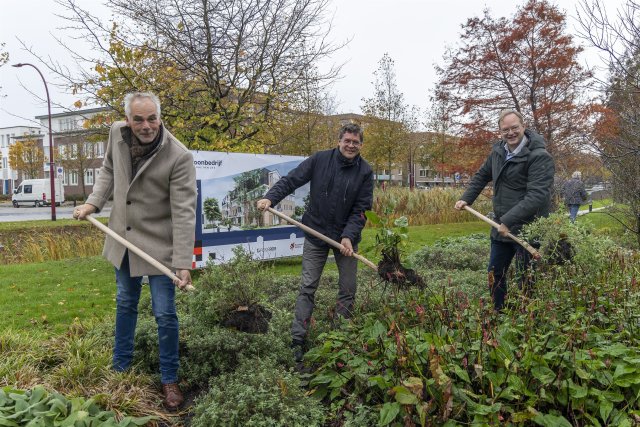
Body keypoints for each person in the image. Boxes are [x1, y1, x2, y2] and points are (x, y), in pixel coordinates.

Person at [73, 92, 196, 411]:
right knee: (125, 303)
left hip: (159, 245)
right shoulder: (116, 133)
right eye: (139, 119)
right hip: (123, 238)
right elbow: (109, 171)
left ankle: (169, 378)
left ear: (160, 117)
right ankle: (120, 369)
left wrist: (183, 261)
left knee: (165, 313)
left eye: (152, 118)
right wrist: (93, 202)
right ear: (127, 119)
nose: (146, 125)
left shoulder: (179, 156)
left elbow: (184, 211)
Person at [256, 123, 373, 363]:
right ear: (339, 141)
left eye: (356, 142)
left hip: (345, 240)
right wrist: (270, 197)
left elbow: (362, 209)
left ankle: (342, 338)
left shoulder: (365, 172)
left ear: (361, 145)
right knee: (308, 287)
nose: (351, 145)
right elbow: (291, 181)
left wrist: (349, 235)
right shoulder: (320, 160)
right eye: (347, 140)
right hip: (316, 232)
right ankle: (297, 339)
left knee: (348, 288)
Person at [454, 109, 555, 311]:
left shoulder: (539, 156)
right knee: (495, 273)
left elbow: (537, 196)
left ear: (523, 127)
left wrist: (508, 221)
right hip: (501, 225)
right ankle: (499, 313)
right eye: (505, 129)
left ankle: (528, 321)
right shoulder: (498, 152)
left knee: (525, 278)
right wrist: (466, 199)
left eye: (514, 128)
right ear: (500, 131)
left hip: (528, 227)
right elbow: (482, 176)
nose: (510, 133)